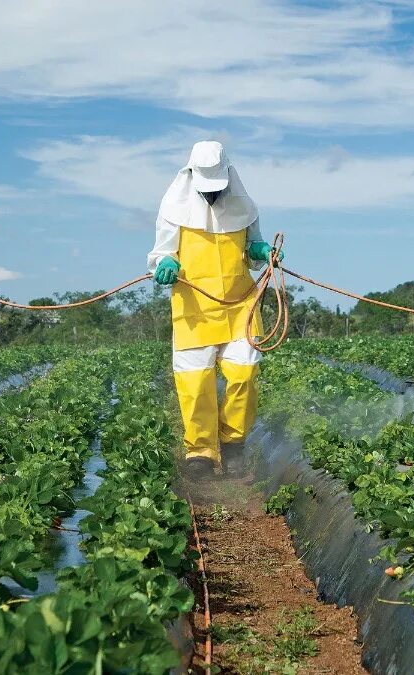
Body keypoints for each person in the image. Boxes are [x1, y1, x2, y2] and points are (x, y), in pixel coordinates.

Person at [148, 141, 281, 478]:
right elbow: (162, 253)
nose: (212, 196)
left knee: (245, 373)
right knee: (195, 383)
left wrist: (261, 250)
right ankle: (201, 453)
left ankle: (233, 443)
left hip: (240, 306)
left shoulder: (244, 206)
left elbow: (251, 254)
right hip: (194, 308)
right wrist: (165, 264)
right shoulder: (173, 208)